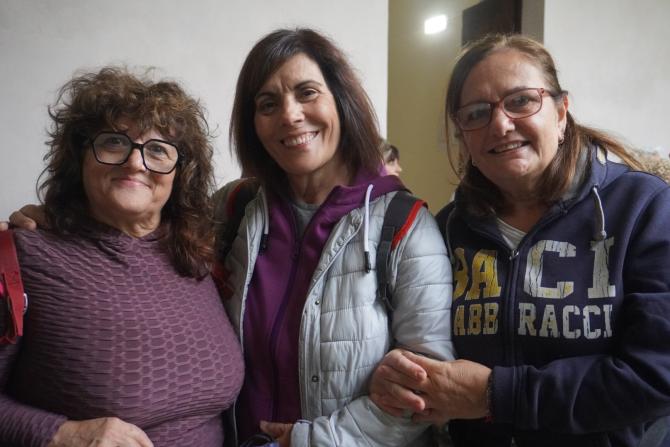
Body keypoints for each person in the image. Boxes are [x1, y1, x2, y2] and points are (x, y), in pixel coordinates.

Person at [369, 33, 670, 447]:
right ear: (463, 136)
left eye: (521, 101)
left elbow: (657, 375)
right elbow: (421, 351)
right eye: (477, 113)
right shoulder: (446, 230)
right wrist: (395, 375)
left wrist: (496, 395)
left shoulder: (643, 208)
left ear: (561, 113)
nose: (500, 124)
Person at [214, 28, 454, 446]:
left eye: (307, 93)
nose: (289, 115)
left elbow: (425, 389)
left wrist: (304, 442)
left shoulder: (405, 225)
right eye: (268, 104)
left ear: (341, 100)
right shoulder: (234, 208)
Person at [0, 67, 244, 446]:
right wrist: (63, 434)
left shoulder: (198, 258)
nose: (135, 162)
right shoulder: (24, 257)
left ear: (181, 172)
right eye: (114, 142)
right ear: (80, 157)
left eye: (158, 149)